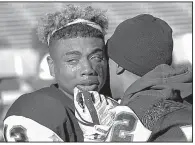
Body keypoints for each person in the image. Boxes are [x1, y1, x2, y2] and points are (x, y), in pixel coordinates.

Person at [3, 4, 117, 142]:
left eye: (96, 58)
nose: (87, 69)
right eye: (72, 60)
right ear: (52, 66)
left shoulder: (115, 102)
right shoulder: (37, 110)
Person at [74, 14, 192, 142]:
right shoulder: (185, 98)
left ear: (119, 65)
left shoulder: (133, 115)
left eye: (105, 58)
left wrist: (94, 138)